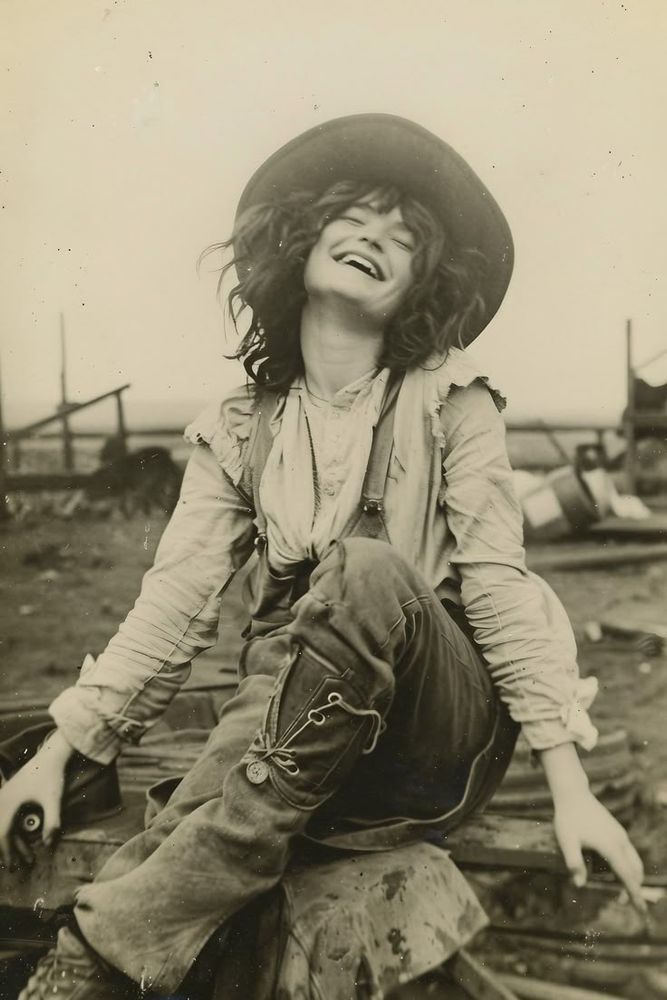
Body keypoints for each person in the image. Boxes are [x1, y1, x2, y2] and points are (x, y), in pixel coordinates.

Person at [1, 114, 645, 999]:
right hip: (298, 728)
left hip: (431, 736)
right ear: (302, 232)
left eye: (408, 237)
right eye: (359, 214)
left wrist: (567, 784)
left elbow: (500, 591)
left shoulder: (450, 404)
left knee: (364, 571)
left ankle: (110, 947)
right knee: (231, 746)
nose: (379, 236)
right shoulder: (237, 425)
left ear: (423, 285)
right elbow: (174, 606)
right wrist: (59, 753)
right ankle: (87, 959)